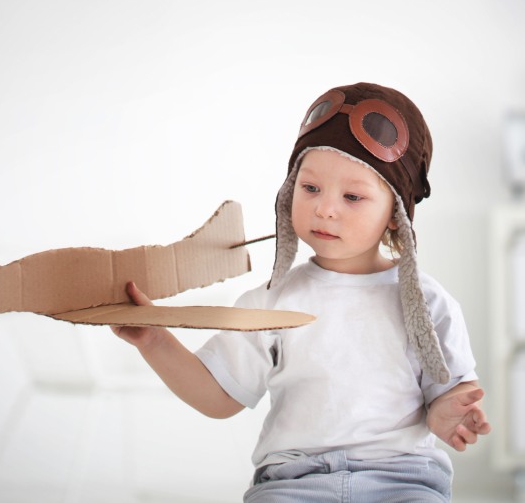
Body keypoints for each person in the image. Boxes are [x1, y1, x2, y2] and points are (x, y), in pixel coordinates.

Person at [112, 82, 491, 502]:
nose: (325, 208)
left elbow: (445, 399)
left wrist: (452, 416)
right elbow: (219, 397)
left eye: (352, 196)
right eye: (310, 189)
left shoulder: (429, 305)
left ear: (396, 216)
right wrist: (154, 340)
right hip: (295, 482)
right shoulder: (270, 303)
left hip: (402, 480)